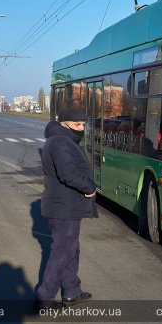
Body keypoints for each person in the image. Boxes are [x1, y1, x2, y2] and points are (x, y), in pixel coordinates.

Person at [35, 108, 97, 310]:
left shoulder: (61, 140)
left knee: (71, 250)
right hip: (63, 208)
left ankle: (72, 291)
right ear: (64, 124)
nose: (81, 129)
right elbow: (67, 173)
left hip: (66, 206)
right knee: (62, 253)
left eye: (83, 125)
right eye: (77, 125)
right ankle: (44, 298)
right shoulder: (61, 142)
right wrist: (89, 188)